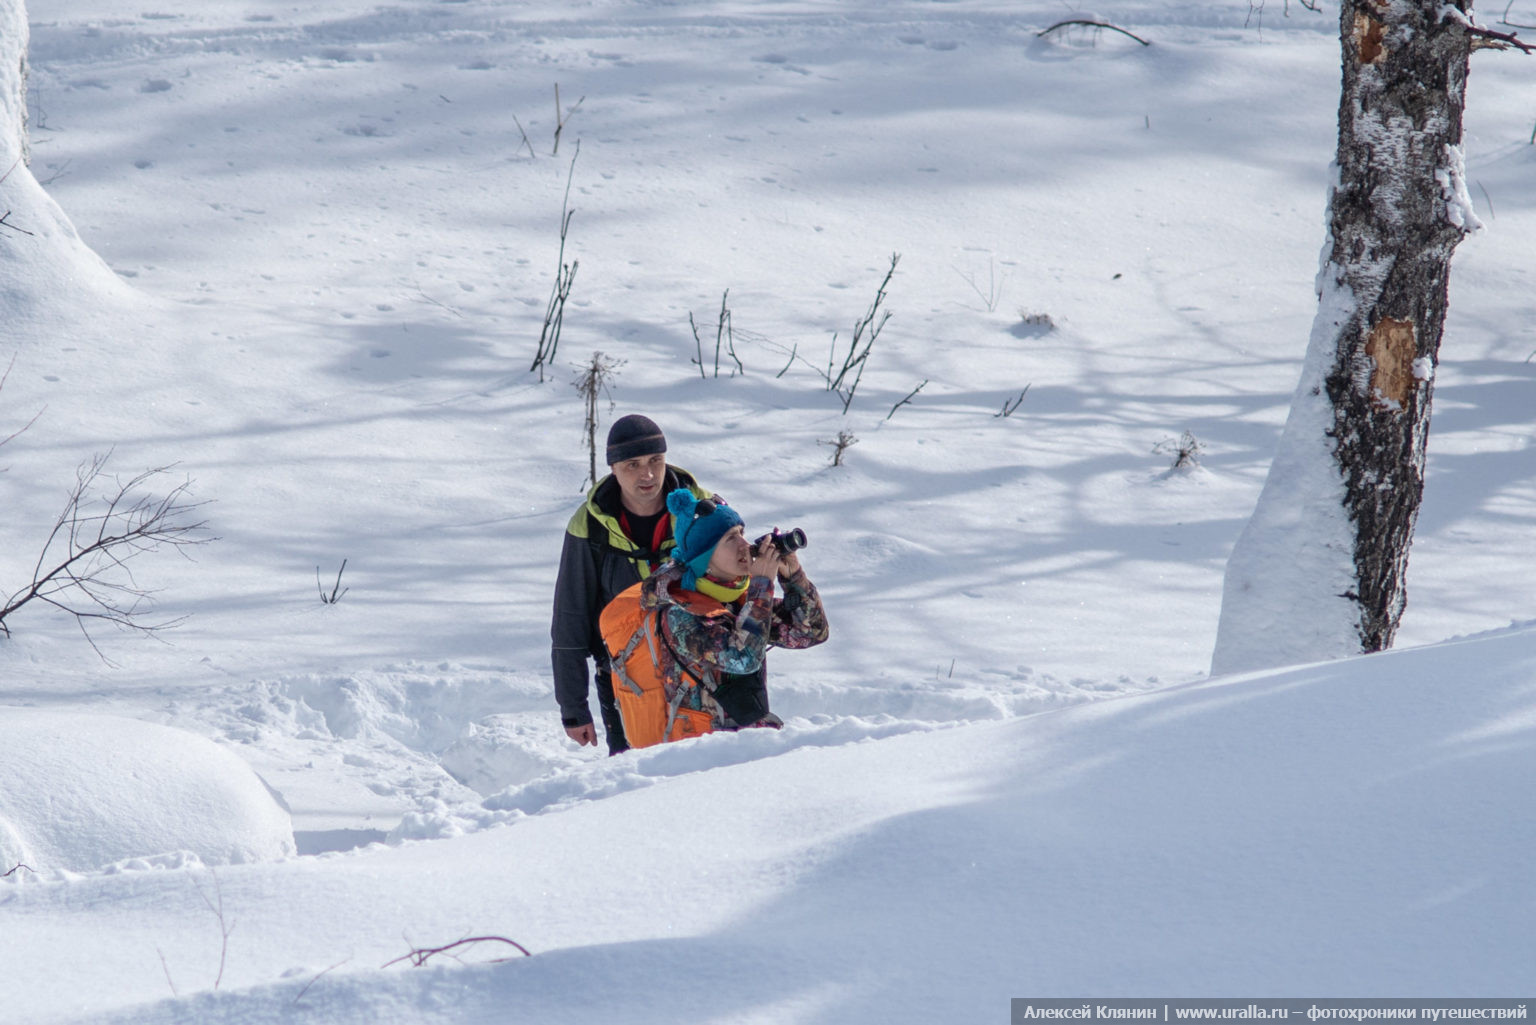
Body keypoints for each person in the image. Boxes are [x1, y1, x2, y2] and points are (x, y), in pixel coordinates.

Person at [599, 488, 829, 749]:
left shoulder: (739, 599)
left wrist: (793, 576)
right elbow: (743, 658)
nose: (745, 544)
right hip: (696, 754)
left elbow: (810, 632)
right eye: (731, 538)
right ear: (704, 557)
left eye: (742, 533)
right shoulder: (679, 613)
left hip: (740, 743)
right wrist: (761, 584)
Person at [551, 414, 714, 754]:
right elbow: (571, 617)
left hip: (701, 670)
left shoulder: (705, 511)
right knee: (636, 781)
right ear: (613, 468)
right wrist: (573, 710)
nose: (648, 475)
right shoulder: (589, 526)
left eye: (656, 460)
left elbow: (738, 588)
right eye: (633, 464)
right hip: (625, 680)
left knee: (708, 768)